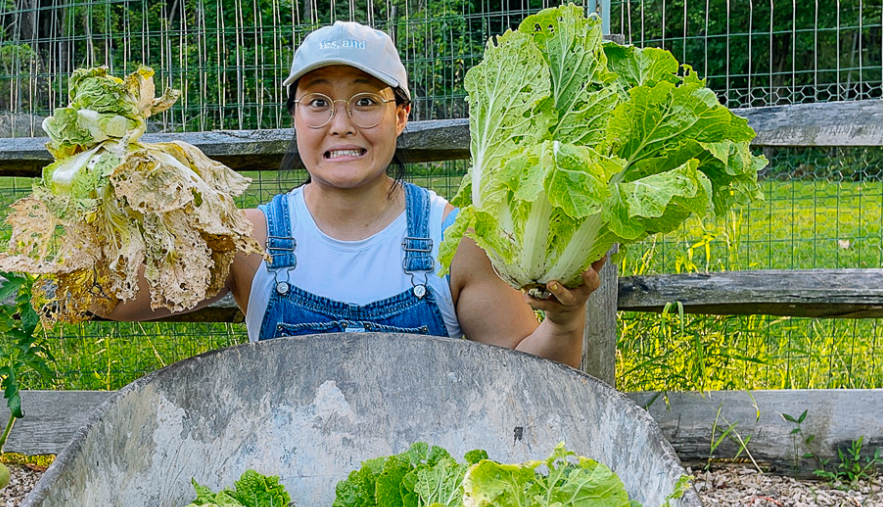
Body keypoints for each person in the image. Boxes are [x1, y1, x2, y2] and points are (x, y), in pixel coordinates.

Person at [106, 20, 603, 368]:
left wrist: (563, 320)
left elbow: (528, 380)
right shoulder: (248, 240)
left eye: (366, 101)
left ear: (401, 115)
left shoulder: (456, 240)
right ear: (296, 117)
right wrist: (90, 189)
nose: (341, 125)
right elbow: (111, 302)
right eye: (318, 102)